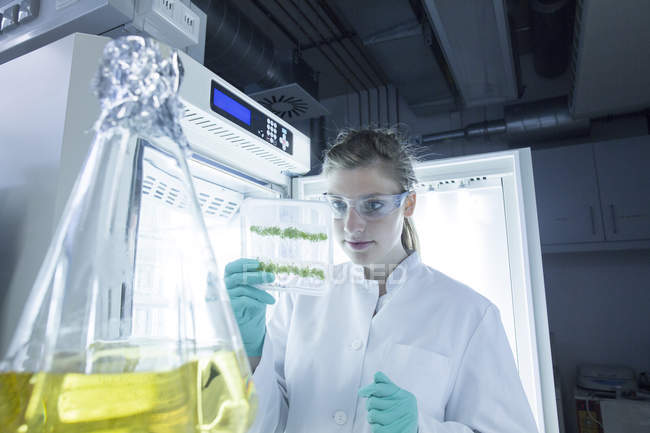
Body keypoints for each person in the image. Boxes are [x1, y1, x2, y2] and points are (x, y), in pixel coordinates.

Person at [225, 128, 538, 433]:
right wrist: (252, 353)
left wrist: (419, 428)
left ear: (409, 204)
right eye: (337, 205)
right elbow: (265, 424)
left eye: (372, 205)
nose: (351, 226)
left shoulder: (470, 313)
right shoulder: (301, 296)